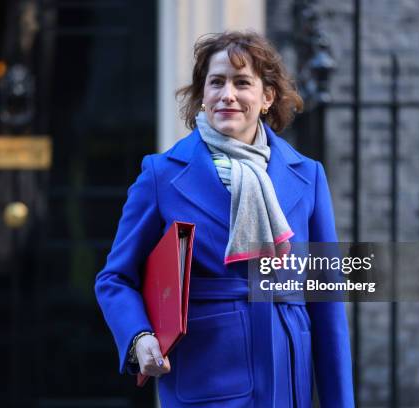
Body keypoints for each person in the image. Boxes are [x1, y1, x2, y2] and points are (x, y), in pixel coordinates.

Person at [95, 30, 354, 407]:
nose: (227, 94)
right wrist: (139, 336)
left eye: (242, 82)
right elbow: (115, 278)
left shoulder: (307, 175)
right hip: (207, 376)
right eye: (216, 82)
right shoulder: (161, 175)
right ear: (202, 95)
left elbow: (327, 302)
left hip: (288, 379)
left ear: (267, 97)